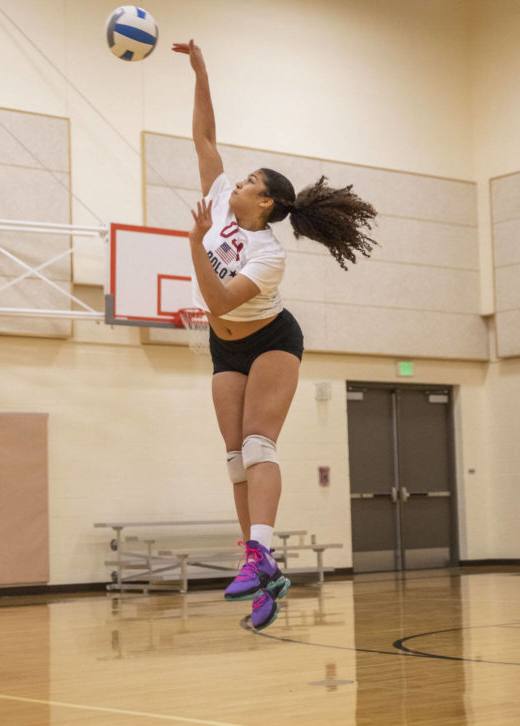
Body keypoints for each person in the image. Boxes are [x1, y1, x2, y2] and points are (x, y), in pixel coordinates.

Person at [172, 40, 377, 631]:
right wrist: (201, 69)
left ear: (264, 202)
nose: (235, 181)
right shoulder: (220, 200)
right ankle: (260, 569)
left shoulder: (266, 253)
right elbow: (205, 139)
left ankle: (261, 554)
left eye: (249, 181)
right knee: (235, 458)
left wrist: (194, 247)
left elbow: (219, 298)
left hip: (270, 340)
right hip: (224, 344)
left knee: (260, 444)